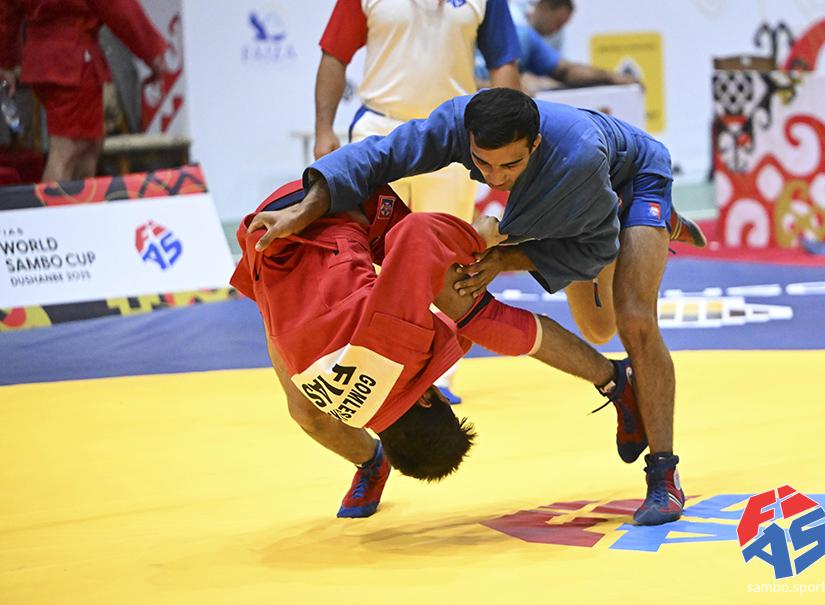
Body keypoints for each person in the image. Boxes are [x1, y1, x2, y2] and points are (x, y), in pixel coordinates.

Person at [250, 88, 697, 525]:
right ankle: (616, 369)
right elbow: (381, 157)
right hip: (284, 239)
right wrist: (309, 207)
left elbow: (593, 248)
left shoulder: (573, 160)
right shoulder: (457, 124)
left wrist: (491, 250)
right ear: (468, 142)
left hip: (624, 176)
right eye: (483, 163)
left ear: (534, 145)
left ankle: (664, 473)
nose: (495, 178)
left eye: (509, 165)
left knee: (632, 319)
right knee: (591, 326)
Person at [234, 177, 643, 520]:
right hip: (260, 242)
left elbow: (417, 234)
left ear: (429, 399)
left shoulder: (399, 348)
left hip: (331, 207)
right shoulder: (344, 408)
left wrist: (477, 238)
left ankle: (613, 378)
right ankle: (371, 463)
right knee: (306, 412)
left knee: (475, 312)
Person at [315, 0, 523, 404]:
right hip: (378, 130)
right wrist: (324, 129)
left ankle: (440, 373)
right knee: (365, 257)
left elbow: (504, 61)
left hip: (453, 136)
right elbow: (334, 54)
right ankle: (369, 370)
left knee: (451, 259)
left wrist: (508, 139)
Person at [0, 0, 168, 182]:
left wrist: (5, 60)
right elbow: (119, 7)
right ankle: (54, 201)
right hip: (73, 58)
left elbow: (6, 10)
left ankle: (78, 199)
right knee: (68, 150)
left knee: (88, 146)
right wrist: (151, 52)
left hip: (47, 57)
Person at [476, 0, 638, 92]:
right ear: (545, 6)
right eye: (557, 23)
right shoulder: (519, 31)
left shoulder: (529, 38)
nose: (556, 31)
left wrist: (610, 77)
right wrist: (511, 89)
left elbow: (565, 70)